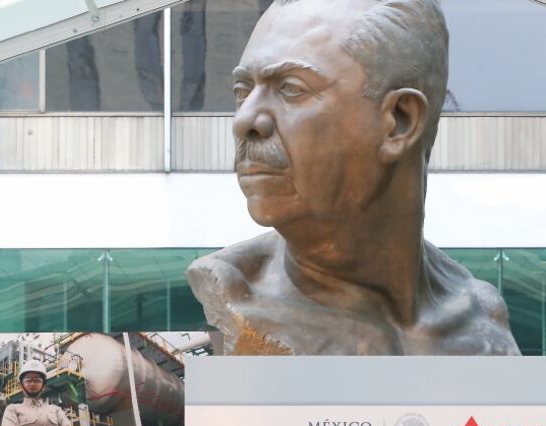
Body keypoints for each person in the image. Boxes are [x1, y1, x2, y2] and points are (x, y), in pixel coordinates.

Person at [185, 0, 519, 357]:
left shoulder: (483, 319)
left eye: (291, 89)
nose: (244, 120)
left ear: (400, 121)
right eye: (242, 91)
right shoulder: (235, 297)